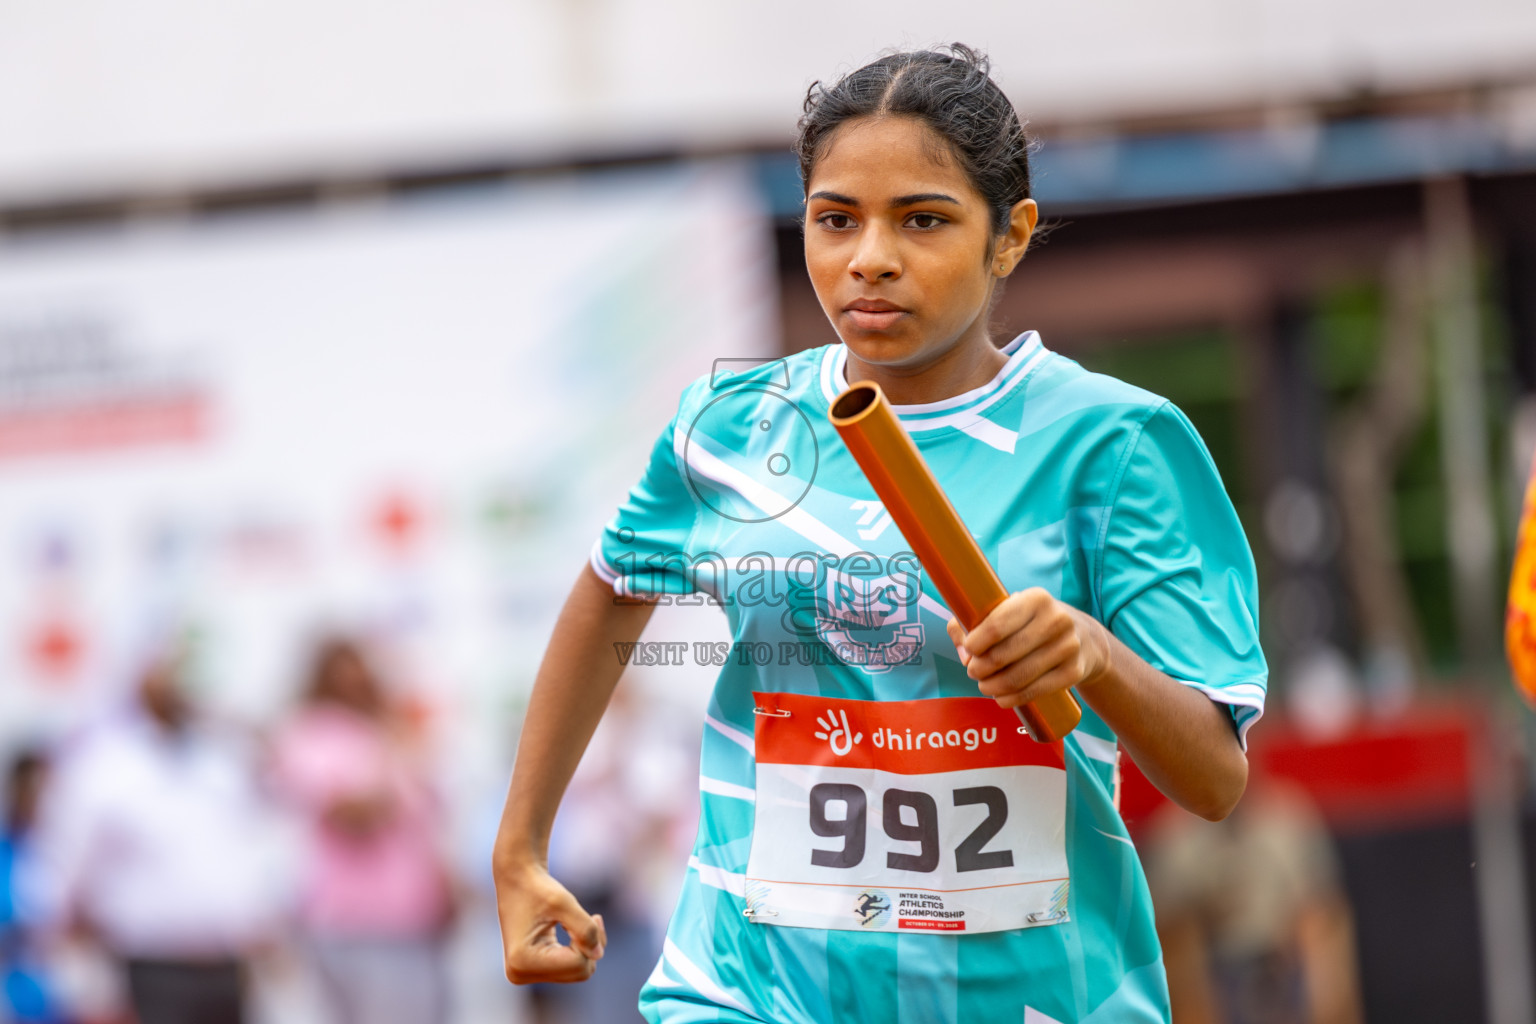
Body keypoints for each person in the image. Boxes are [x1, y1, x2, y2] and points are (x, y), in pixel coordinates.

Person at [493, 44, 1266, 1023]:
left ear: (1010, 236)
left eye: (923, 219)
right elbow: (611, 586)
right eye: (835, 219)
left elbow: (1214, 777)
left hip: (1033, 995)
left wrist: (1092, 654)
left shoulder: (1117, 446)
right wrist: (519, 848)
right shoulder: (730, 426)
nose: (869, 257)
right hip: (746, 985)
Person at [30, 648, 280, 1024]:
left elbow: (253, 850)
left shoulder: (221, 761)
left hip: (228, 963)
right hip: (147, 965)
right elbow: (66, 861)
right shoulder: (104, 766)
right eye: (162, 676)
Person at [271, 637, 454, 1024]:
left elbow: (424, 827)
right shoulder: (312, 733)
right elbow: (353, 816)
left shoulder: (384, 732)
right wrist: (392, 757)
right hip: (354, 924)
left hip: (414, 922)